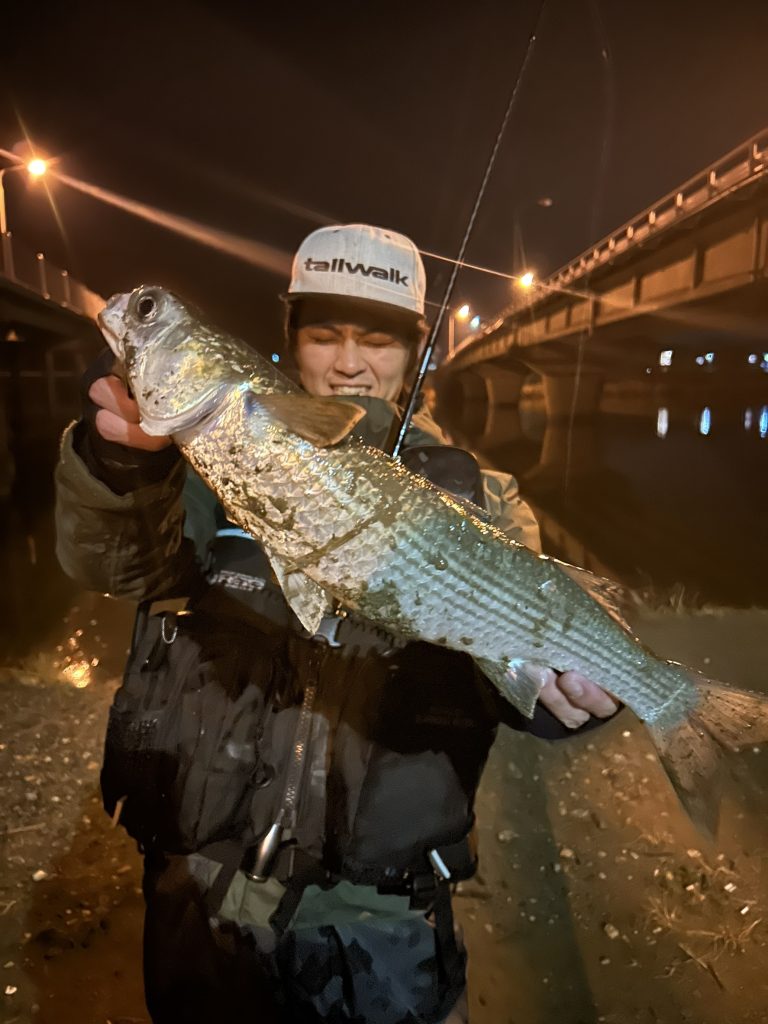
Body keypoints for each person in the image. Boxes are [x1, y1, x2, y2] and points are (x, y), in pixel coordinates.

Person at [55, 224, 619, 1024]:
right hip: (200, 900)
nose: (349, 362)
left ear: (417, 350)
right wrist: (120, 468)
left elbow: (523, 672)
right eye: (324, 334)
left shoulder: (486, 501)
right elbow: (113, 566)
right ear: (288, 340)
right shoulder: (203, 460)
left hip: (383, 929)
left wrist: (571, 696)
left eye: (379, 339)